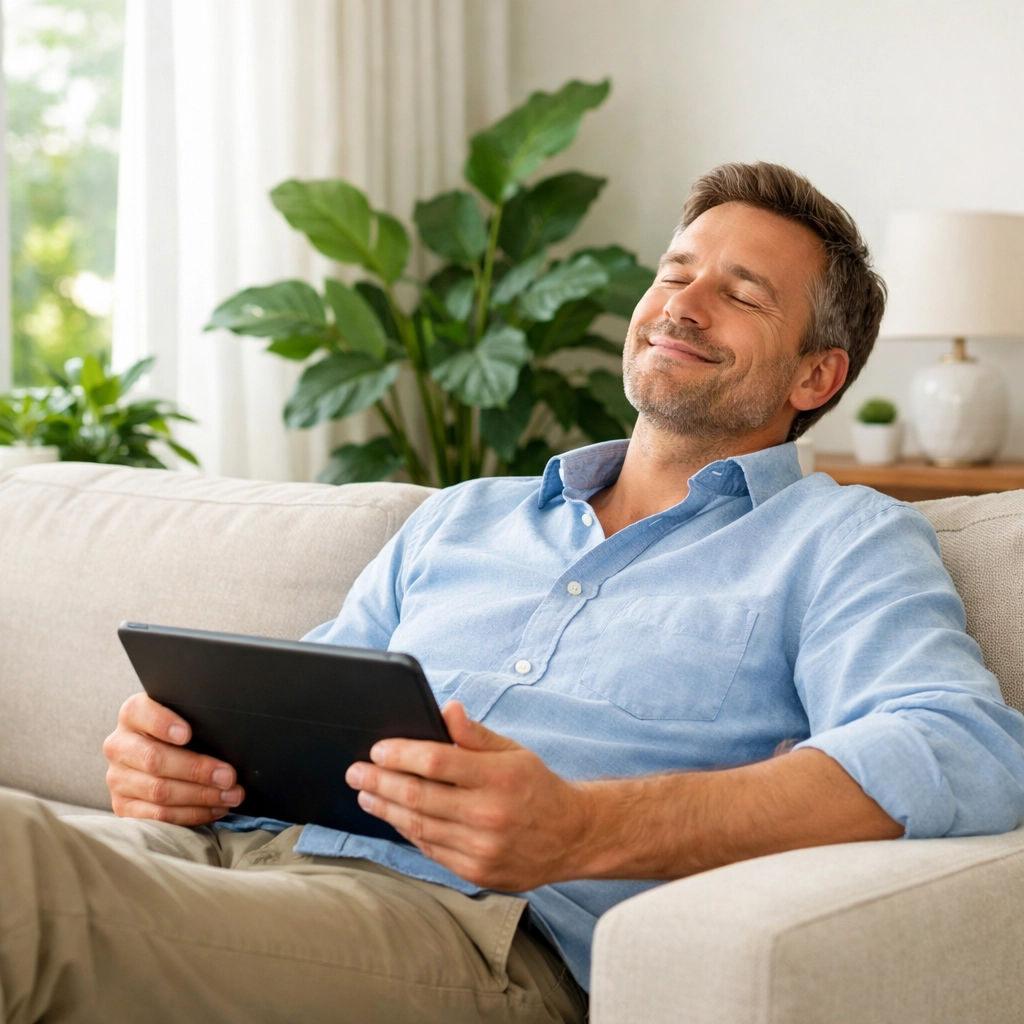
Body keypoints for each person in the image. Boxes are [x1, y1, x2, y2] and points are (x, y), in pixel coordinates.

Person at [3, 162, 1023, 1024]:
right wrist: (181, 763)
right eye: (675, 272)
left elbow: (958, 747)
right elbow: (303, 702)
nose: (682, 302)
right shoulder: (461, 517)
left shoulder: (839, 537)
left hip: (472, 940)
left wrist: (587, 827)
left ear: (815, 377)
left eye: (743, 293)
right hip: (241, 867)